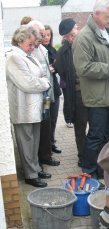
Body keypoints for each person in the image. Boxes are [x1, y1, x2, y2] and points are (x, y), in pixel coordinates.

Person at [72, 0, 109, 179]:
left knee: (105, 135)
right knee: (96, 136)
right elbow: (84, 68)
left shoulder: (106, 32)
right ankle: (88, 173)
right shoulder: (84, 37)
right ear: (96, 14)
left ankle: (100, 170)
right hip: (97, 97)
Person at [6, 26, 50, 187]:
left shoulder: (27, 55)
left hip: (34, 108)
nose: (33, 47)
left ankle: (36, 168)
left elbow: (41, 74)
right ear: (19, 41)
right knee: (26, 143)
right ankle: (30, 175)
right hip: (22, 108)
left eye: (34, 44)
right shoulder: (14, 57)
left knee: (34, 142)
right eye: (30, 44)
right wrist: (44, 83)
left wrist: (42, 81)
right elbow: (28, 83)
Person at [54, 18, 88, 167]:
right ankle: (82, 156)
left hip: (94, 94)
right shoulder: (63, 51)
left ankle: (95, 156)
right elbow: (60, 70)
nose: (69, 38)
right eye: (66, 36)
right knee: (80, 127)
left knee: (96, 127)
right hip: (78, 95)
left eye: (71, 34)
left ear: (77, 27)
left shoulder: (88, 43)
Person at [28, 20, 60, 167]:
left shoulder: (42, 48)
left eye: (44, 34)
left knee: (47, 124)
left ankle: (46, 155)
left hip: (47, 95)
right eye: (40, 34)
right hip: (39, 96)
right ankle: (41, 157)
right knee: (40, 127)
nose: (42, 37)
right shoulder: (30, 50)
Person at [42, 25, 62, 154]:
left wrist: (56, 68)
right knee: (46, 118)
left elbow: (59, 68)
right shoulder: (38, 51)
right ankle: (46, 145)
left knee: (54, 119)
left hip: (55, 91)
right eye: (43, 35)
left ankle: (52, 142)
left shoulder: (53, 50)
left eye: (48, 35)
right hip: (46, 95)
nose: (46, 38)